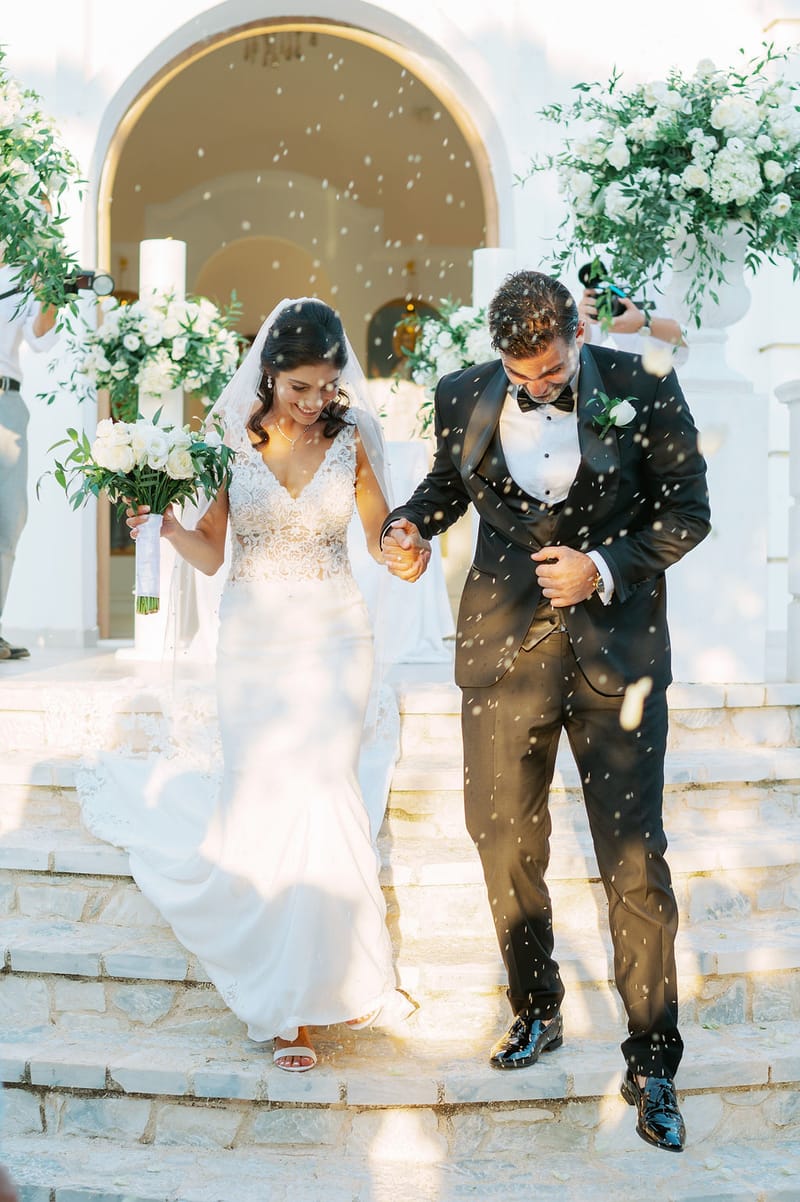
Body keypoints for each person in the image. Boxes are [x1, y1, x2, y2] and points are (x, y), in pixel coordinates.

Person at [381, 270, 710, 1151]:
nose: (537, 387)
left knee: (635, 863)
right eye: (521, 376)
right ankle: (538, 1007)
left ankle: (653, 1063)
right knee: (501, 837)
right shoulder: (463, 394)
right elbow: (445, 487)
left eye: (553, 371)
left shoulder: (643, 385)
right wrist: (408, 527)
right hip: (504, 652)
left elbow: (690, 511)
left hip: (618, 658)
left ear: (576, 332)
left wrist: (601, 568)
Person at [82, 299, 415, 1072]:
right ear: (270, 373)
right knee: (266, 796)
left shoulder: (355, 436)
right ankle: (285, 1006)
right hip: (255, 638)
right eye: (301, 386)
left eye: (327, 386)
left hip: (334, 631)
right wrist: (164, 528)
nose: (314, 401)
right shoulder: (229, 437)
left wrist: (407, 546)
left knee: (325, 789)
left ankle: (341, 978)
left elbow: (378, 537)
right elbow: (209, 552)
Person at [0, 261, 59, 660]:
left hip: (6, 402)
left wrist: (52, 288)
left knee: (9, 517)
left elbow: (40, 339)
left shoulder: (23, 275)